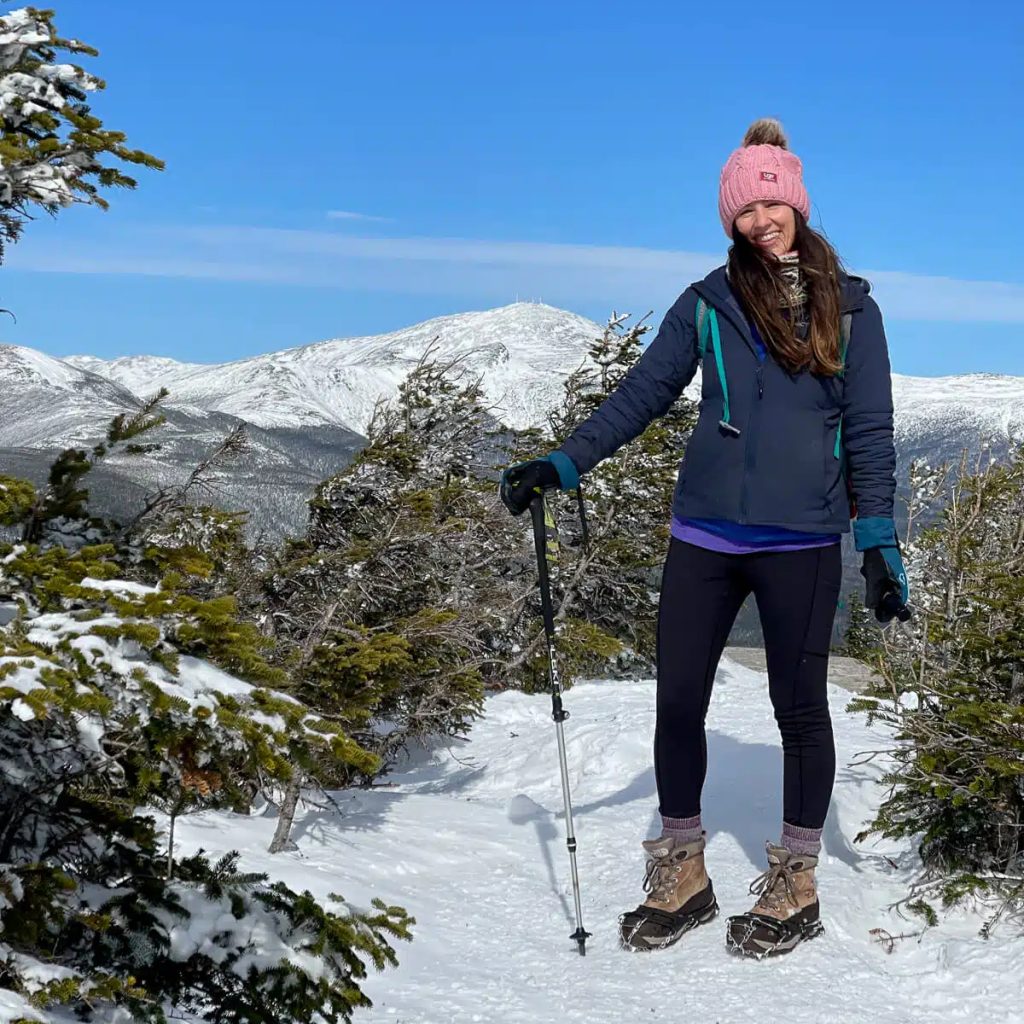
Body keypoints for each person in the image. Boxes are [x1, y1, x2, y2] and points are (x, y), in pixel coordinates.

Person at [499, 118, 909, 959]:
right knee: (678, 701)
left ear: (794, 202)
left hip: (799, 542)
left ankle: (796, 877)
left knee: (799, 711)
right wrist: (563, 463)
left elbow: (870, 430)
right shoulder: (709, 304)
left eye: (772, 202)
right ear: (731, 220)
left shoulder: (854, 310)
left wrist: (878, 541)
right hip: (705, 538)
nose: (761, 220)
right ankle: (682, 871)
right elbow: (641, 394)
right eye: (744, 211)